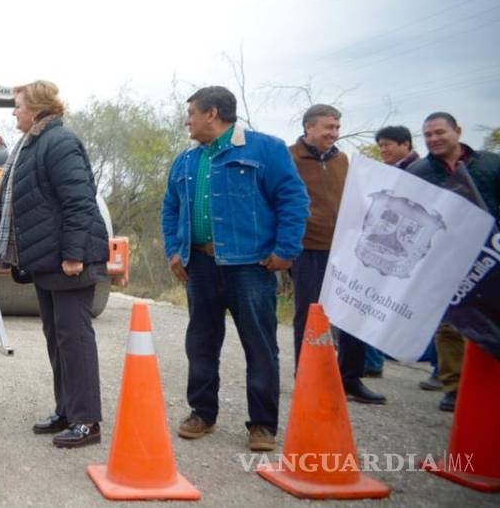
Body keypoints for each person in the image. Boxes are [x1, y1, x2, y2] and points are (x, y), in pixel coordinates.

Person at [161, 86, 309, 453]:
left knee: (259, 346)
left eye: (192, 112)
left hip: (250, 266)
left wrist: (286, 250)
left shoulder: (266, 149)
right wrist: (175, 252)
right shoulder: (186, 161)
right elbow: (171, 208)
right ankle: (202, 413)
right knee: (201, 342)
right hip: (201, 266)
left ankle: (262, 425)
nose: (187, 120)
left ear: (212, 113)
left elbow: (293, 199)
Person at [0, 80, 109, 448]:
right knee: (58, 339)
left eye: (18, 105)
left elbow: (79, 201)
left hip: (69, 261)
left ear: (37, 109)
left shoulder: (60, 142)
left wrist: (74, 254)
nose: (14, 112)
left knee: (76, 339)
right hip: (48, 261)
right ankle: (67, 410)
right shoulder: (33, 144)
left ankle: (87, 422)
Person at [288, 105, 385, 405]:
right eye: (328, 127)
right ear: (309, 127)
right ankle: (308, 376)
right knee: (310, 314)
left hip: (346, 247)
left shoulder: (343, 159)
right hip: (307, 248)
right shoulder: (290, 158)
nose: (334, 133)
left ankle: (350, 378)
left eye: (337, 127)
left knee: (353, 312)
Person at [407, 111, 500, 412]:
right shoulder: (419, 173)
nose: (434, 139)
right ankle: (453, 385)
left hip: (492, 254)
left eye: (439, 133)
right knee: (450, 323)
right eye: (428, 135)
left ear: (457, 131)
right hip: (446, 258)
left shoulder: (490, 164)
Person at [363, 125, 420, 380]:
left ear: (406, 144)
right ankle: (374, 358)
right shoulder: (389, 172)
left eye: (389, 144)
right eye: (381, 145)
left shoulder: (420, 172)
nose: (383, 149)